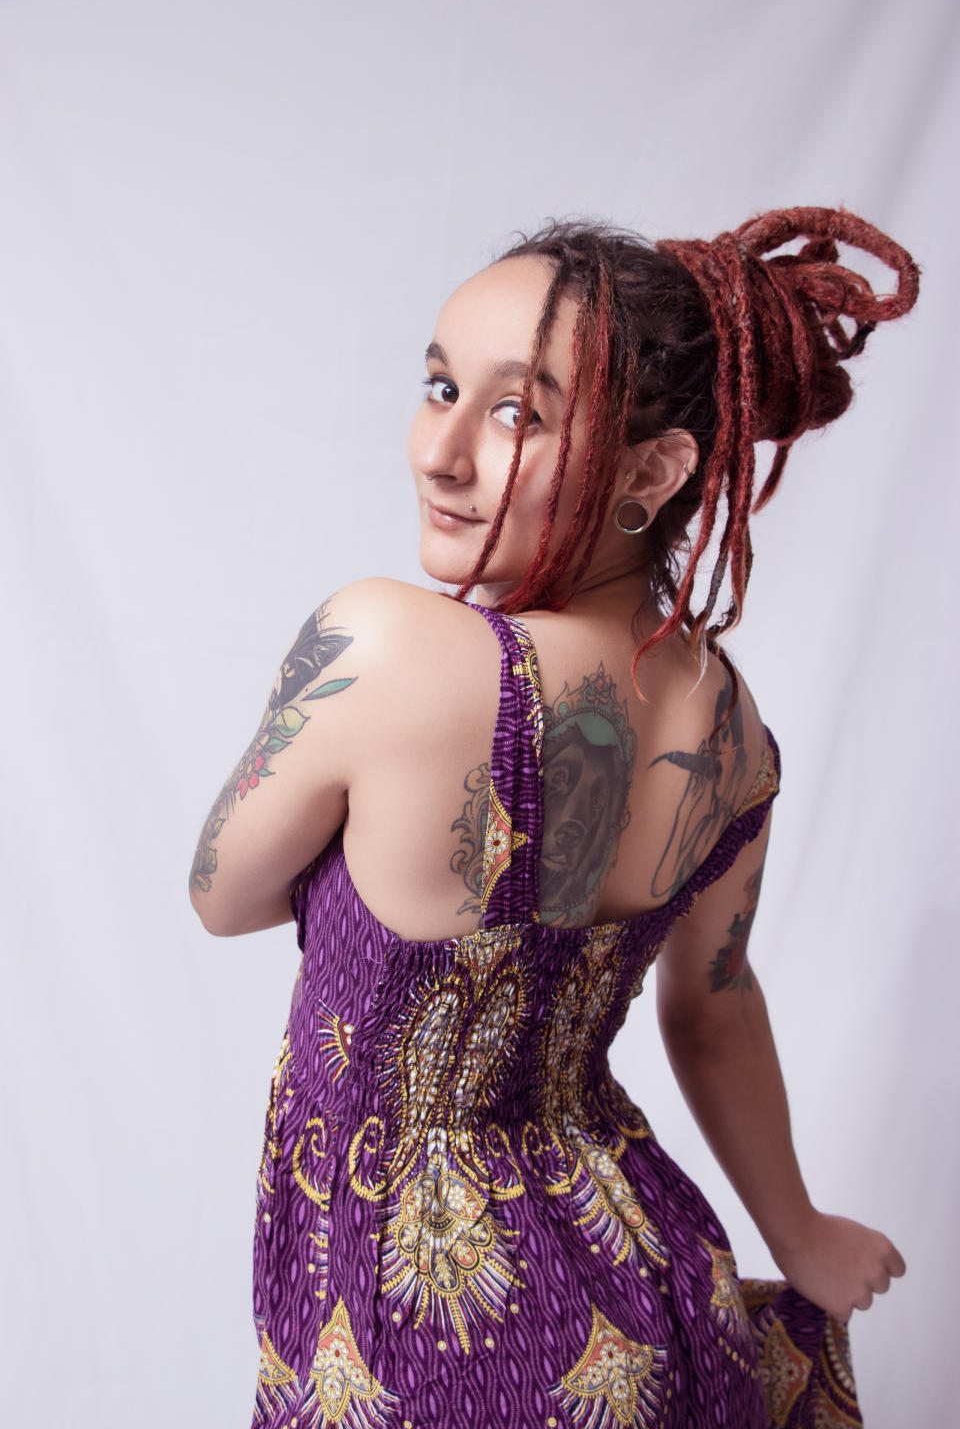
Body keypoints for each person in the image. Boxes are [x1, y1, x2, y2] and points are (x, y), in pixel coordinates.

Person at [189, 206, 919, 1429]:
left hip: (426, 1343)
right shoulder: (730, 728)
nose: (441, 453)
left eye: (516, 413)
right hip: (651, 1288)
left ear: (653, 471)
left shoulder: (384, 647)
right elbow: (716, 1008)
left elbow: (224, 898)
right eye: (440, 387)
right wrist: (799, 1233)